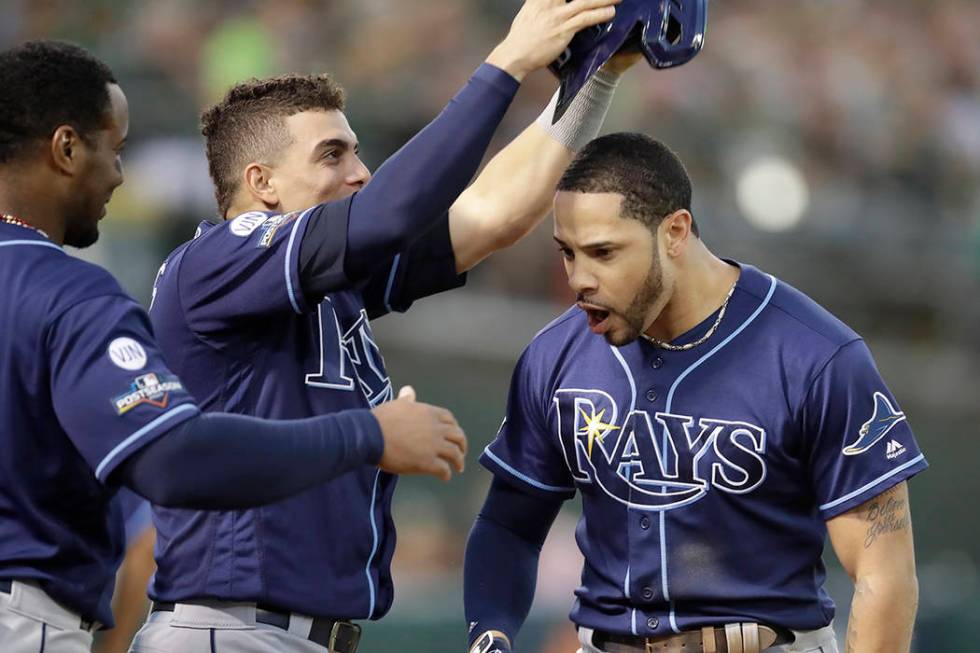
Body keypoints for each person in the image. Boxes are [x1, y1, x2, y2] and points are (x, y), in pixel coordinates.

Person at [134, 1, 640, 651]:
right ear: (261, 182)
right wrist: (508, 61)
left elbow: (490, 218)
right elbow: (389, 212)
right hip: (230, 627)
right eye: (332, 155)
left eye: (358, 153)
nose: (359, 172)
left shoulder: (324, 282)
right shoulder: (215, 261)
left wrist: (596, 77)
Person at [0, 39, 470, 653]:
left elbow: (481, 221)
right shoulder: (66, 290)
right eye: (113, 151)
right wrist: (369, 434)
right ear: (65, 148)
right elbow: (170, 462)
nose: (119, 174)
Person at [464, 133, 926, 653]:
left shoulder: (814, 355)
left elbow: (883, 573)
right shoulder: (557, 355)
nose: (579, 278)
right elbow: (509, 524)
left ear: (675, 233)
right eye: (568, 253)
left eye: (603, 252)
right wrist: (490, 635)